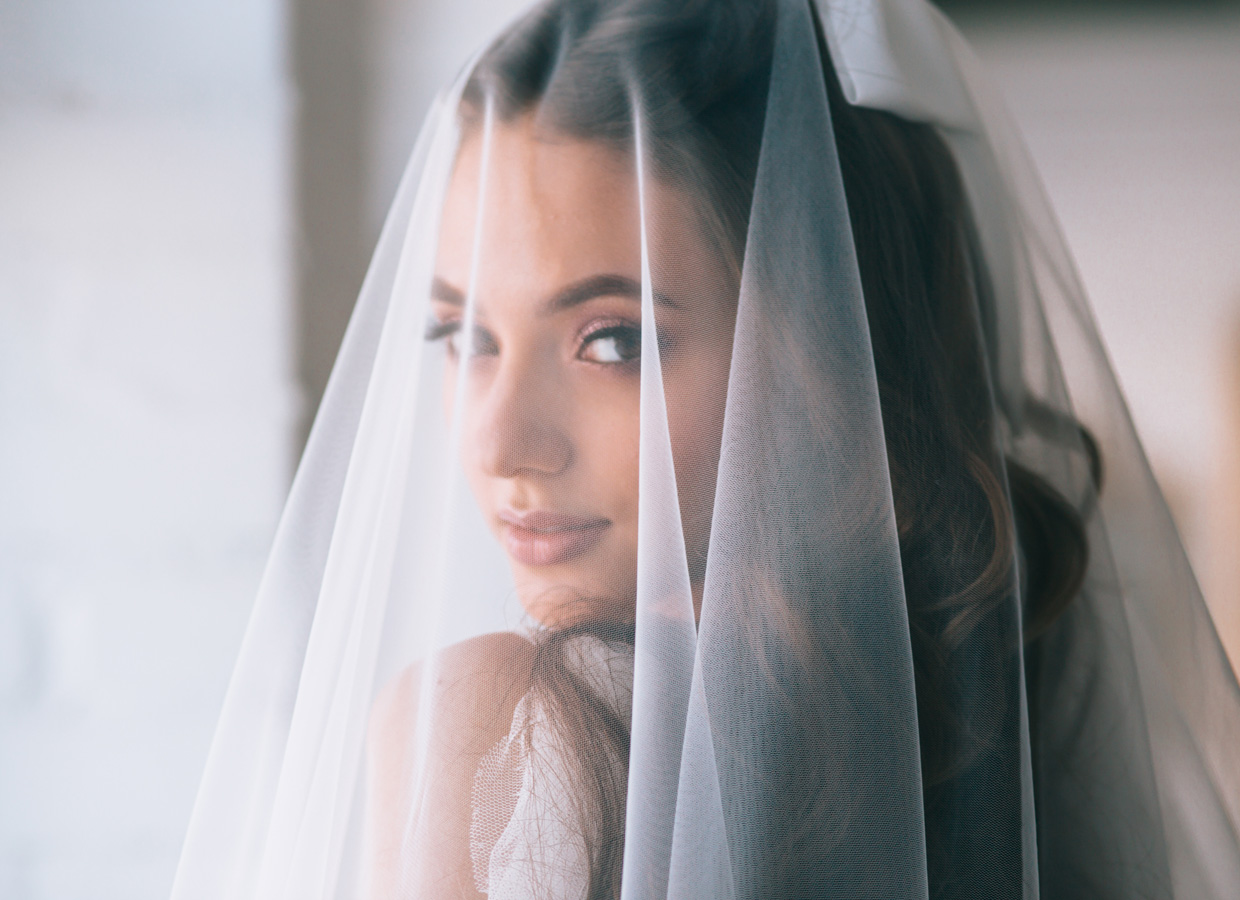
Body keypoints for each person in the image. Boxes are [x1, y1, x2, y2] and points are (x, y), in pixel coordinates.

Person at [170, 1, 1240, 899]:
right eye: (463, 335)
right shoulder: (1004, 700)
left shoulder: (491, 727)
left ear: (824, 348)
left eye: (612, 340)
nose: (500, 441)